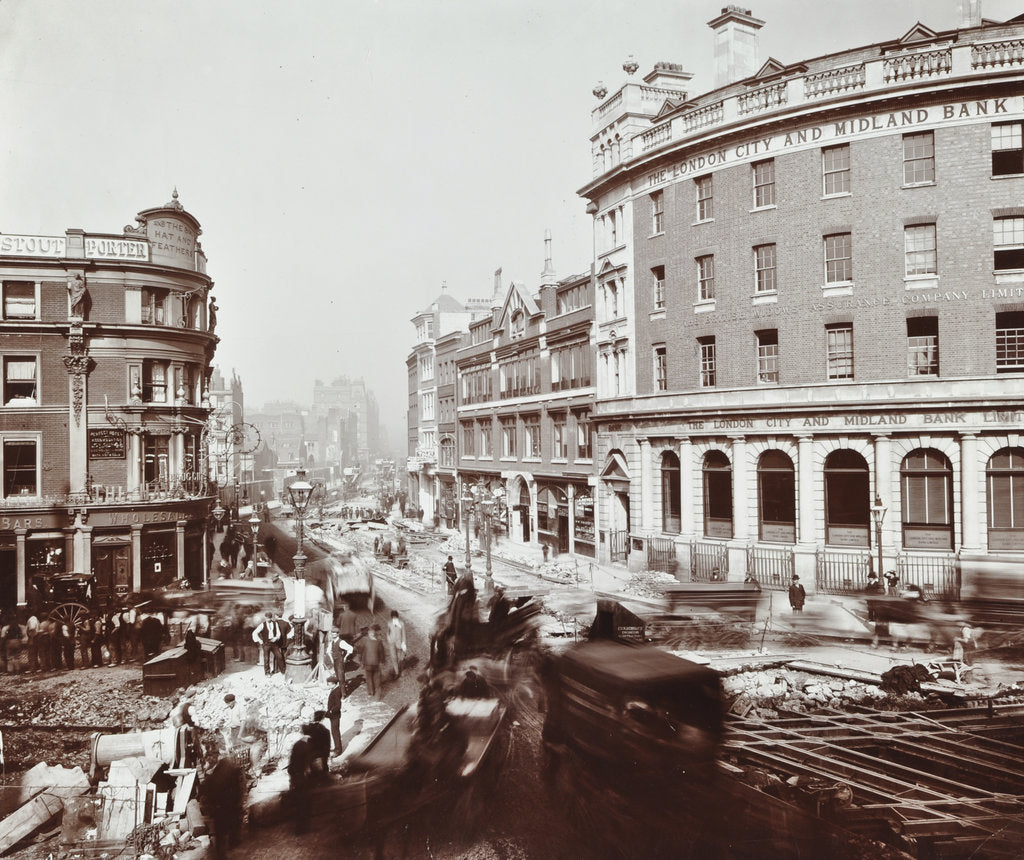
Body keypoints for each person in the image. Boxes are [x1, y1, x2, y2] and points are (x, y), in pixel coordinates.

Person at [199, 754, 244, 860]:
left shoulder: (216, 774)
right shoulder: (227, 768)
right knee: (229, 824)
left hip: (222, 805)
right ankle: (232, 841)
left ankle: (223, 852)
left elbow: (205, 789)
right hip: (227, 803)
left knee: (221, 831)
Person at [286, 735, 313, 834]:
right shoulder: (306, 747)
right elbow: (308, 768)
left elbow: (291, 766)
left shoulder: (297, 745)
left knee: (299, 803)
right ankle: (302, 828)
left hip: (295, 777)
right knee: (304, 803)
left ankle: (299, 827)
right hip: (301, 778)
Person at [359, 624, 385, 698]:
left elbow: (362, 652)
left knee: (369, 677)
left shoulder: (366, 642)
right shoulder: (378, 642)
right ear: (374, 635)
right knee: (376, 678)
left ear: (369, 635)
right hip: (376, 663)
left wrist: (361, 661)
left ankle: (371, 692)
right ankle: (378, 692)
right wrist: (382, 661)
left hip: (368, 663)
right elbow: (381, 653)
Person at [304, 714, 332, 778]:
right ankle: (325, 778)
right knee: (323, 766)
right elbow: (327, 743)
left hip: (316, 753)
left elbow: (309, 743)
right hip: (322, 752)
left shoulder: (311, 731)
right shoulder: (325, 731)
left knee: (316, 767)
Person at [329, 630, 354, 695]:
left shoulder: (341, 642)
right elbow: (329, 651)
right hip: (335, 662)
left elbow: (350, 648)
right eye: (332, 633)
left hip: (340, 662)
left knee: (341, 678)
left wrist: (345, 657)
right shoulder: (332, 642)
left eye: (335, 633)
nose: (333, 634)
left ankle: (344, 694)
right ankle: (339, 692)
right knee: (337, 677)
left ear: (338, 634)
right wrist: (332, 659)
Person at [326, 675, 344, 755]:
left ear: (334, 684)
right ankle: (336, 748)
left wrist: (331, 711)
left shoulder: (336, 692)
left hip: (335, 716)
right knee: (334, 732)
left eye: (329, 684)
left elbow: (338, 705)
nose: (328, 685)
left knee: (335, 732)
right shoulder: (335, 689)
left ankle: (338, 750)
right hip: (333, 715)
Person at [386, 610, 407, 680]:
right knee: (394, 658)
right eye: (393, 617)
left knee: (401, 658)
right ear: (391, 617)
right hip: (392, 643)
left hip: (399, 643)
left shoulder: (402, 624)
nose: (394, 618)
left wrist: (404, 643)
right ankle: (397, 672)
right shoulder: (389, 623)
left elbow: (404, 634)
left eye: (396, 617)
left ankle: (402, 670)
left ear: (397, 617)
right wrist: (388, 639)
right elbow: (388, 633)